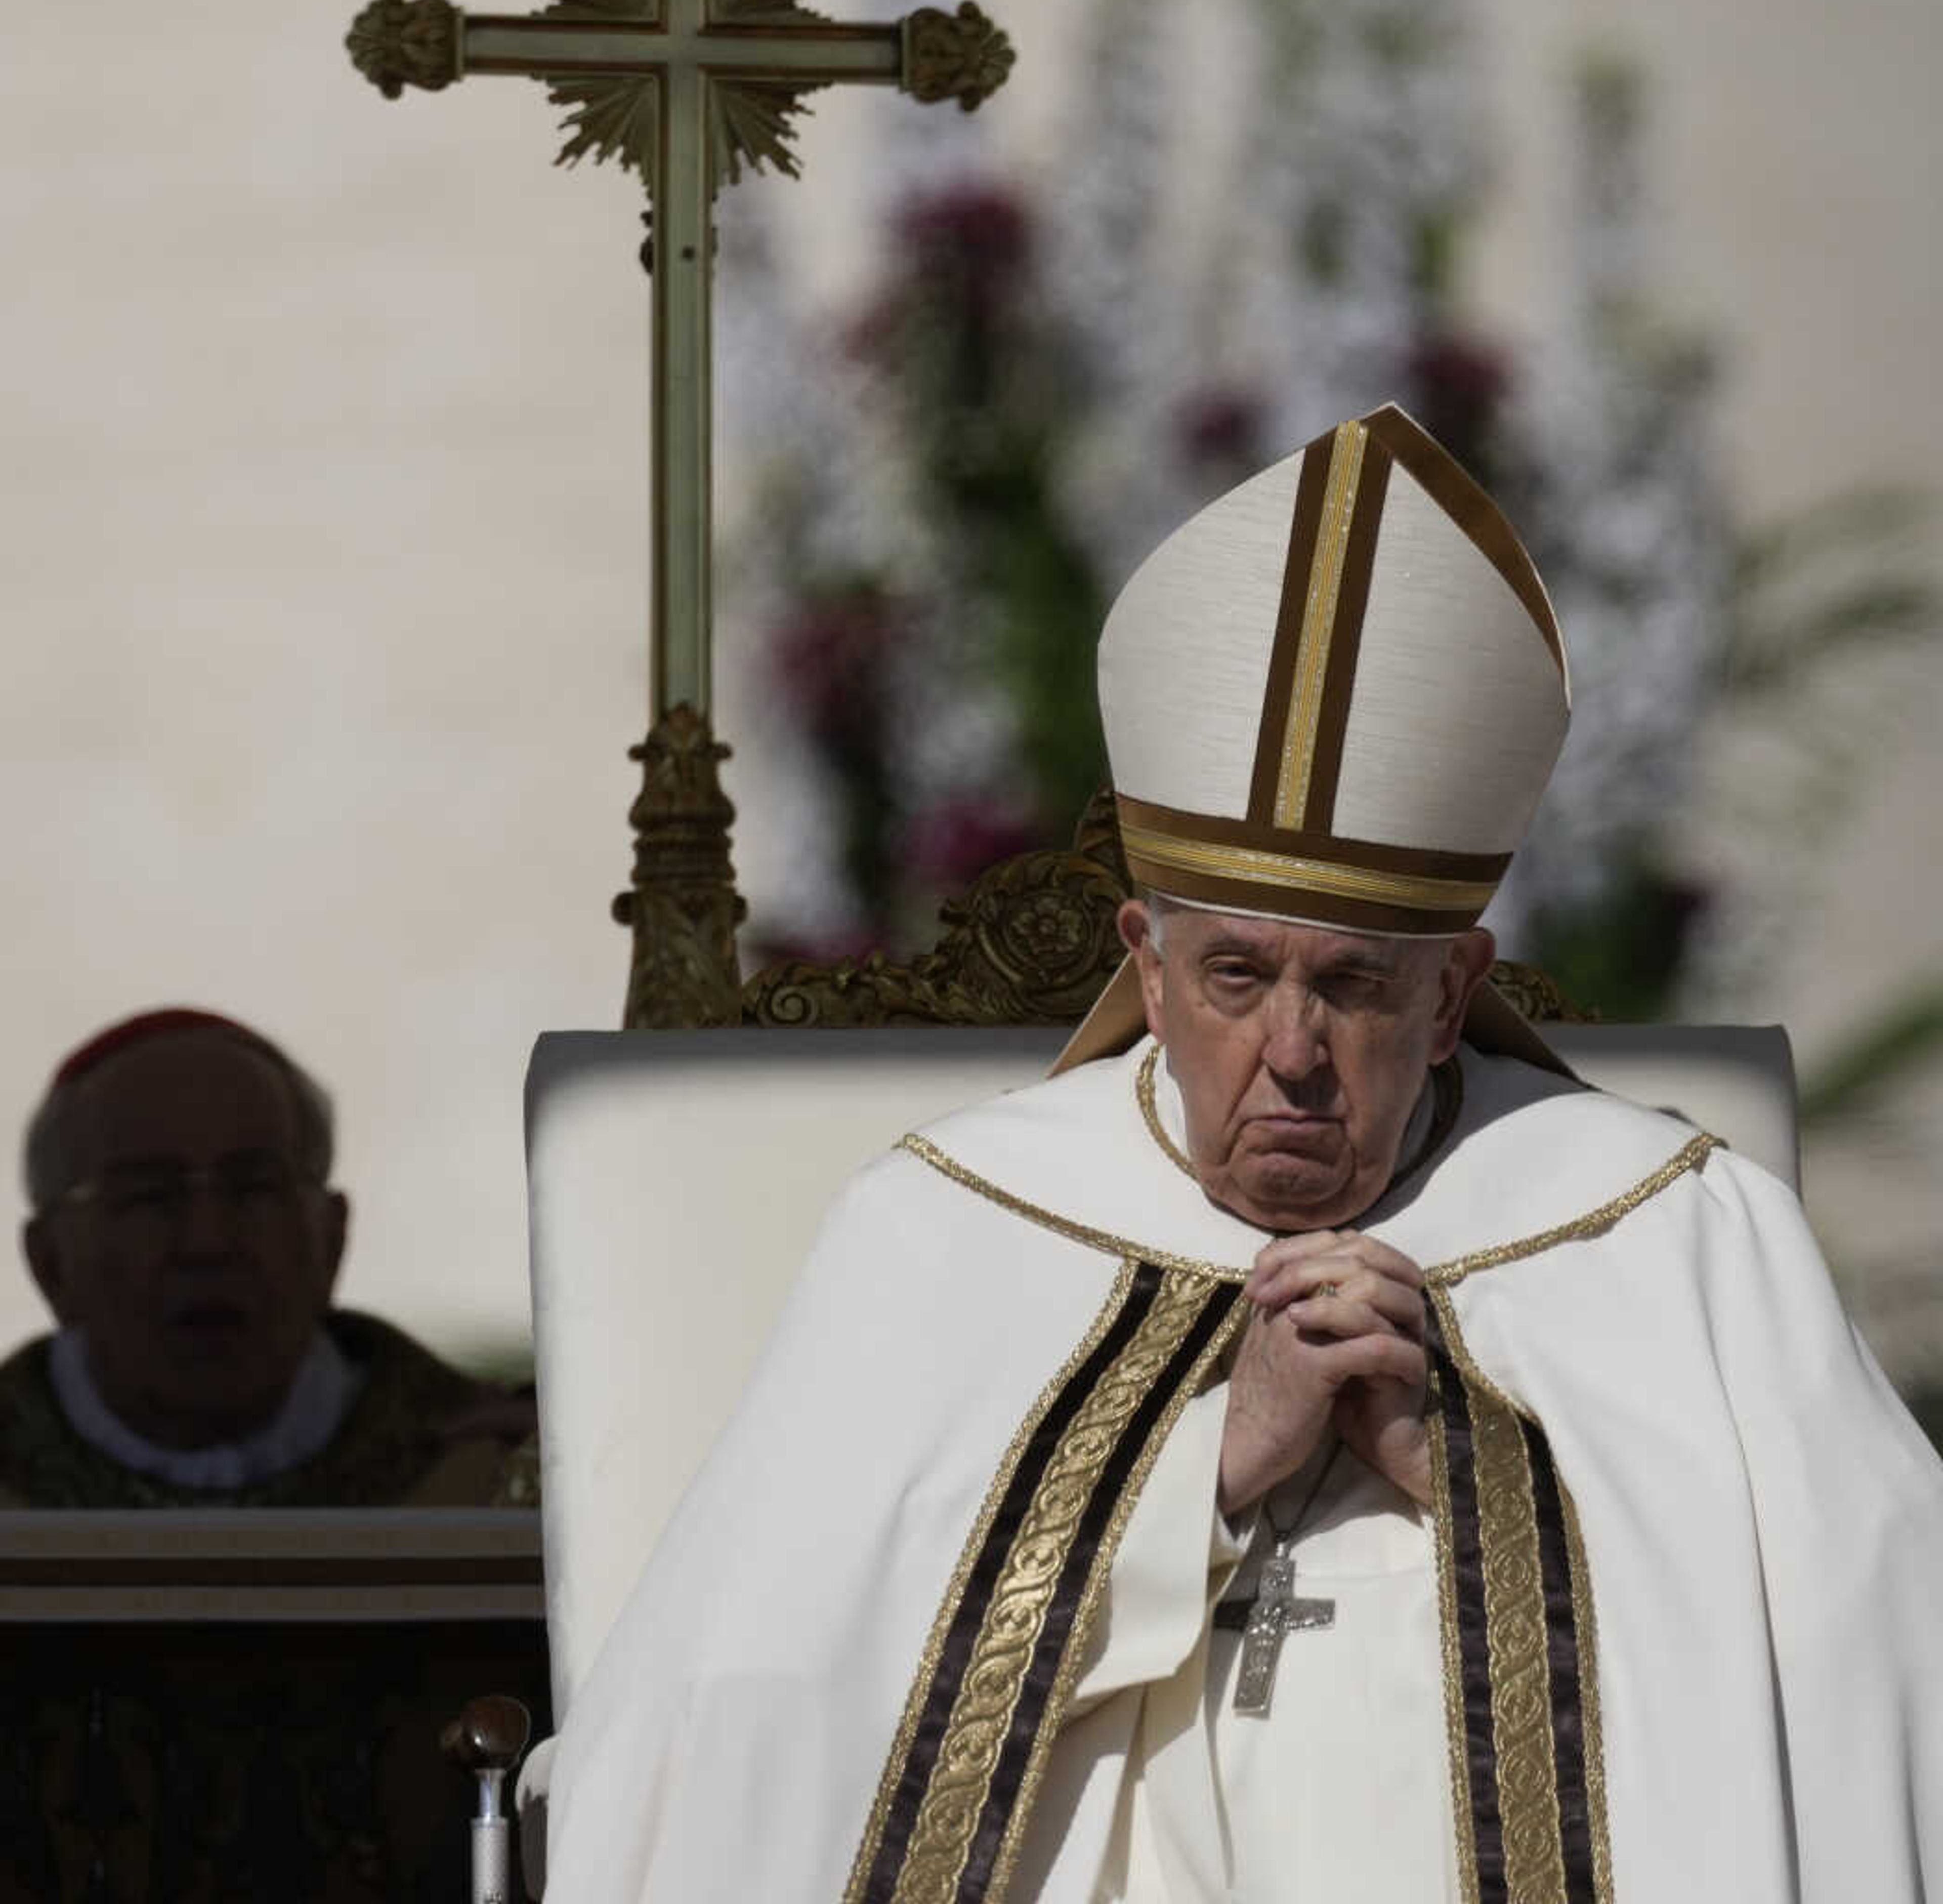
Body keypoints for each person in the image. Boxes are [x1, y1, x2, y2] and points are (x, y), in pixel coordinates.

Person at [541, 404, 1942, 1901]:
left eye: (1349, 984)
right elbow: (737, 1709)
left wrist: (1470, 1476)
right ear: (1142, 966)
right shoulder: (938, 1231)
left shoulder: (1683, 1240)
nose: (1289, 1049)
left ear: (1454, 990)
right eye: (1231, 978)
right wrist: (1189, 1471)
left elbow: (1867, 1685)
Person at [3, 1006, 533, 1506]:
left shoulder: (494, 1469)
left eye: (254, 1187)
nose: (207, 1242)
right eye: (149, 1196)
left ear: (331, 1239)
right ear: (50, 1263)